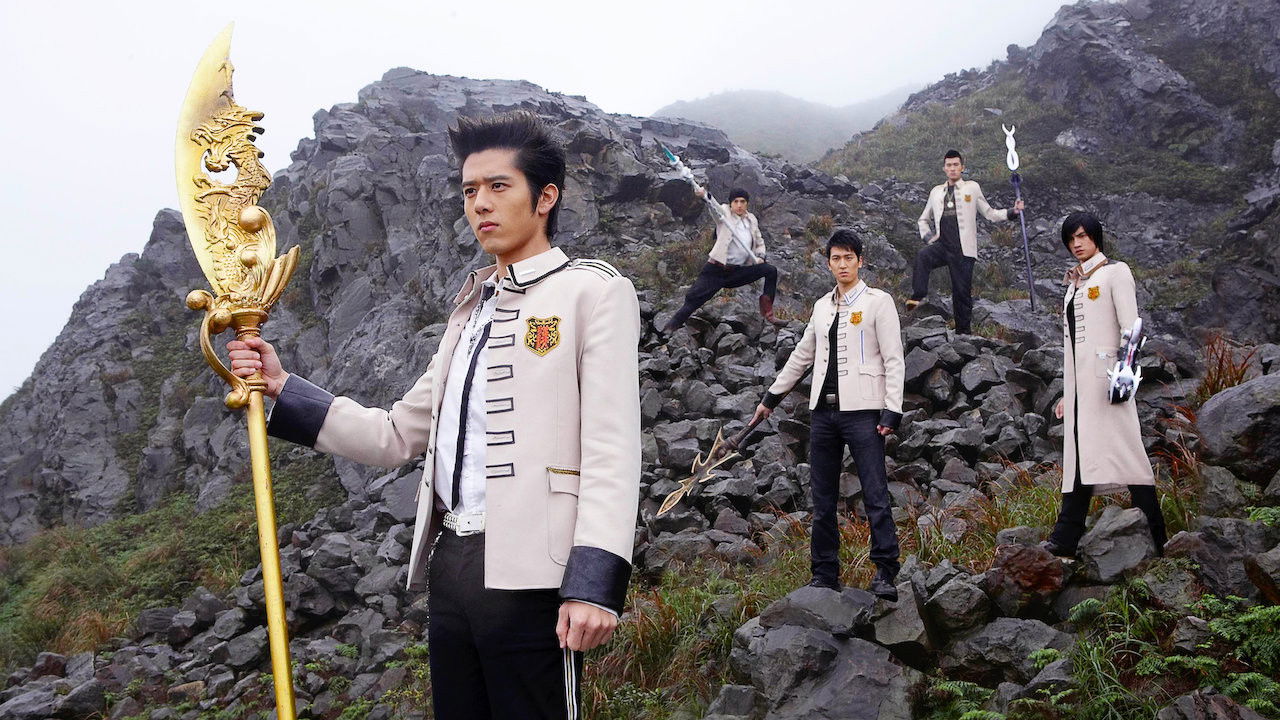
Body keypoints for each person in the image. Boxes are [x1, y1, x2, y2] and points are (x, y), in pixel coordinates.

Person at [227, 112, 641, 720]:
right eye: (470, 190)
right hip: (452, 567)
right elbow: (396, 435)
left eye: (498, 186)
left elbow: (612, 447)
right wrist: (282, 386)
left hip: (538, 574)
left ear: (546, 197)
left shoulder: (592, 292)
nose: (480, 203)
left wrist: (594, 583)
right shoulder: (469, 311)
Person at [749, 228, 905, 600]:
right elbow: (802, 356)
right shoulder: (821, 306)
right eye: (836, 258)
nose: (843, 264)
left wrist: (892, 410)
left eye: (849, 257)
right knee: (822, 498)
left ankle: (885, 571)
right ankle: (824, 573)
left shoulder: (878, 302)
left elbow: (894, 358)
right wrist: (771, 398)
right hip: (823, 413)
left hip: (864, 412)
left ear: (860, 261)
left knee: (875, 493)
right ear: (828, 263)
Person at [1041, 212, 1166, 558]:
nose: (1077, 244)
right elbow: (1073, 349)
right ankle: (1065, 537)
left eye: (1082, 236)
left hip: (1110, 383)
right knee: (1080, 458)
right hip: (1082, 389)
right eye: (1071, 239)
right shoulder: (1073, 284)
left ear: (1096, 236)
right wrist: (1068, 393)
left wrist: (1124, 375)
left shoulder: (1115, 272)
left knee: (1128, 452)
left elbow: (1132, 327)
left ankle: (1158, 535)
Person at [907, 149, 1025, 334]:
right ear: (944, 168)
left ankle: (963, 334)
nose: (952, 168)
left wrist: (1013, 212)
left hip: (964, 249)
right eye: (949, 165)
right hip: (943, 245)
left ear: (962, 167)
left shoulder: (972, 188)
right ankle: (918, 294)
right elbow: (923, 219)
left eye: (956, 165)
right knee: (923, 256)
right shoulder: (936, 192)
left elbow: (990, 213)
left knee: (961, 292)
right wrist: (929, 237)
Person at [661, 185, 784, 333]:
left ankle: (769, 314)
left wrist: (761, 256)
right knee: (694, 299)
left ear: (747, 203)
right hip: (716, 271)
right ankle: (669, 329)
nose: (739, 205)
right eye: (736, 201)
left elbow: (759, 242)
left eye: (743, 201)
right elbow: (714, 207)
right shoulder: (724, 214)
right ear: (731, 203)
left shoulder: (751, 220)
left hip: (737, 272)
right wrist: (705, 195)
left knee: (770, 270)